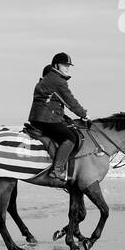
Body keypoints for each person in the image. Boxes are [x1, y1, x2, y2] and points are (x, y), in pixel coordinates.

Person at [28, 51, 88, 183]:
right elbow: (70, 101)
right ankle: (58, 169)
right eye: (64, 65)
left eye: (69, 65)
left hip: (41, 117)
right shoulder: (57, 81)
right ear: (56, 65)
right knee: (70, 138)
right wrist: (83, 114)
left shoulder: (50, 79)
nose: (67, 67)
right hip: (46, 119)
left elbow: (55, 104)